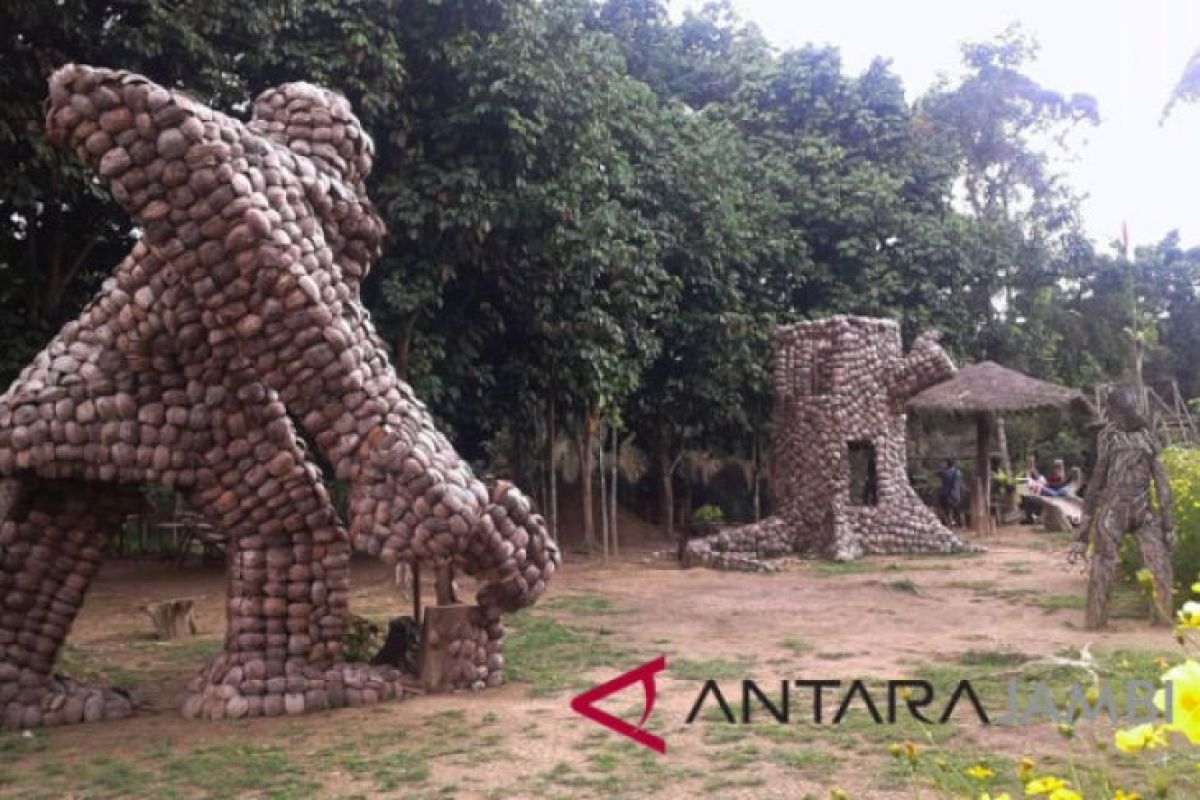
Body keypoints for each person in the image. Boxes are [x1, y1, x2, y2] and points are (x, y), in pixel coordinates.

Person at [1071, 385, 1175, 628]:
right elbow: (1096, 482)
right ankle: (1096, 622)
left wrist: (1168, 525)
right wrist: (1082, 536)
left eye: (1136, 410)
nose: (1135, 415)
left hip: (1143, 511)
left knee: (1160, 565)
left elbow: (1162, 483)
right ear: (1115, 413)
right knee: (1103, 565)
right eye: (1128, 411)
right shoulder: (1108, 437)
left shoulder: (1149, 438)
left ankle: (1163, 619)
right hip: (1112, 512)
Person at [937, 458, 964, 527]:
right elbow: (960, 484)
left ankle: (950, 522)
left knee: (947, 509)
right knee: (958, 510)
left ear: (947, 464)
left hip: (947, 495)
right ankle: (960, 523)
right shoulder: (958, 472)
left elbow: (939, 474)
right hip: (956, 494)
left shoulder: (945, 472)